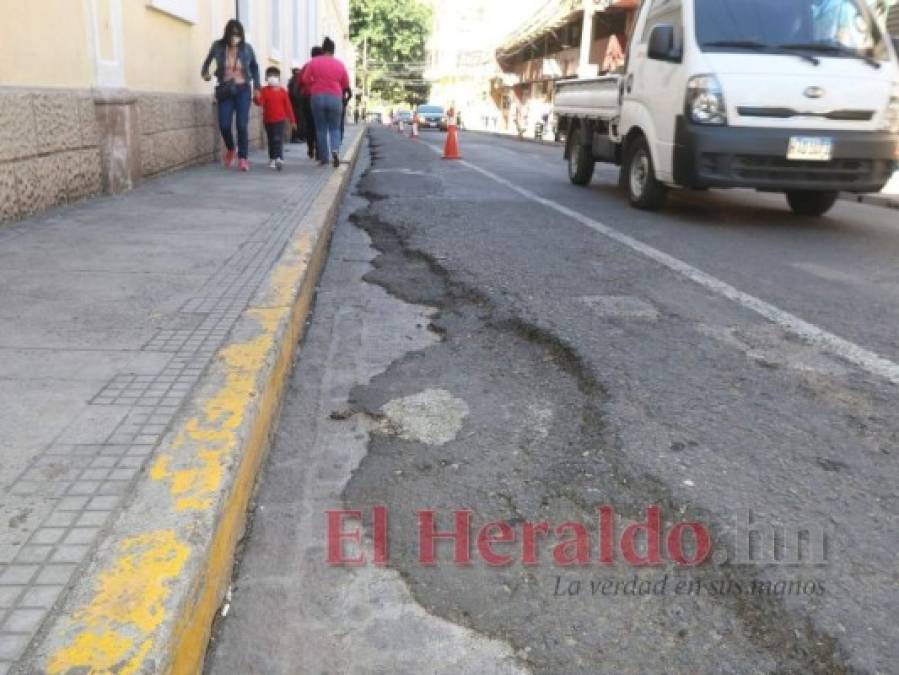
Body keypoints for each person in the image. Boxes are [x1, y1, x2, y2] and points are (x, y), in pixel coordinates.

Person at [202, 19, 261, 172]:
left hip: (243, 89)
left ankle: (243, 158)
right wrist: (206, 74)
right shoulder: (218, 46)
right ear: (227, 34)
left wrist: (257, 88)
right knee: (224, 124)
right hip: (226, 89)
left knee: (242, 124)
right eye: (233, 34)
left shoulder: (247, 48)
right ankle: (230, 148)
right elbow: (206, 63)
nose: (235, 37)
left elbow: (254, 67)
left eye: (238, 34)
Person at [302, 37, 350, 168]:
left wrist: (315, 83)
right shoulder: (340, 64)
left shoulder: (314, 62)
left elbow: (305, 79)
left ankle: (324, 158)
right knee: (334, 128)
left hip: (317, 96)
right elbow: (345, 83)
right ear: (334, 50)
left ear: (323, 49)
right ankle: (335, 150)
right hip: (335, 97)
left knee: (321, 128)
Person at [255, 66, 297, 171]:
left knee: (277, 139)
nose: (272, 78)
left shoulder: (283, 91)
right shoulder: (264, 90)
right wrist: (256, 96)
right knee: (271, 140)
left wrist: (293, 121)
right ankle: (272, 158)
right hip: (268, 120)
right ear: (266, 78)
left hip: (280, 120)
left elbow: (288, 107)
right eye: (270, 76)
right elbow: (260, 102)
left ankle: (279, 158)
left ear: (278, 78)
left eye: (275, 76)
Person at [299, 46, 324, 160]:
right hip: (319, 97)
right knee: (319, 124)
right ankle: (319, 150)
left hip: (307, 98)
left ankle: (310, 148)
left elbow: (301, 81)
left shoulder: (306, 66)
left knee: (310, 125)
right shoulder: (324, 67)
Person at [287, 67, 304, 143]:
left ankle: (298, 137)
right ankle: (295, 137)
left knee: (297, 120)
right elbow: (294, 93)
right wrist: (300, 100)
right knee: (297, 121)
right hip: (297, 104)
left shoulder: (292, 80)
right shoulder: (295, 80)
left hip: (294, 103)